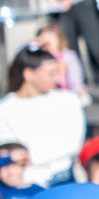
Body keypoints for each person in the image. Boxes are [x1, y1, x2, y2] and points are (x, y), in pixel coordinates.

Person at [0, 48, 87, 185]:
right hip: (28, 184)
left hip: (68, 178)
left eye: (58, 72)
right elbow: (8, 150)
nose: (57, 78)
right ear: (29, 74)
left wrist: (29, 155)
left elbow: (73, 144)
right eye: (51, 73)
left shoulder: (68, 100)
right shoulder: (5, 108)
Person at [32, 23, 86, 95]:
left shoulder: (68, 57)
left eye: (49, 42)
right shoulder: (39, 57)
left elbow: (76, 83)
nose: (46, 47)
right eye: (43, 44)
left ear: (58, 40)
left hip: (68, 94)